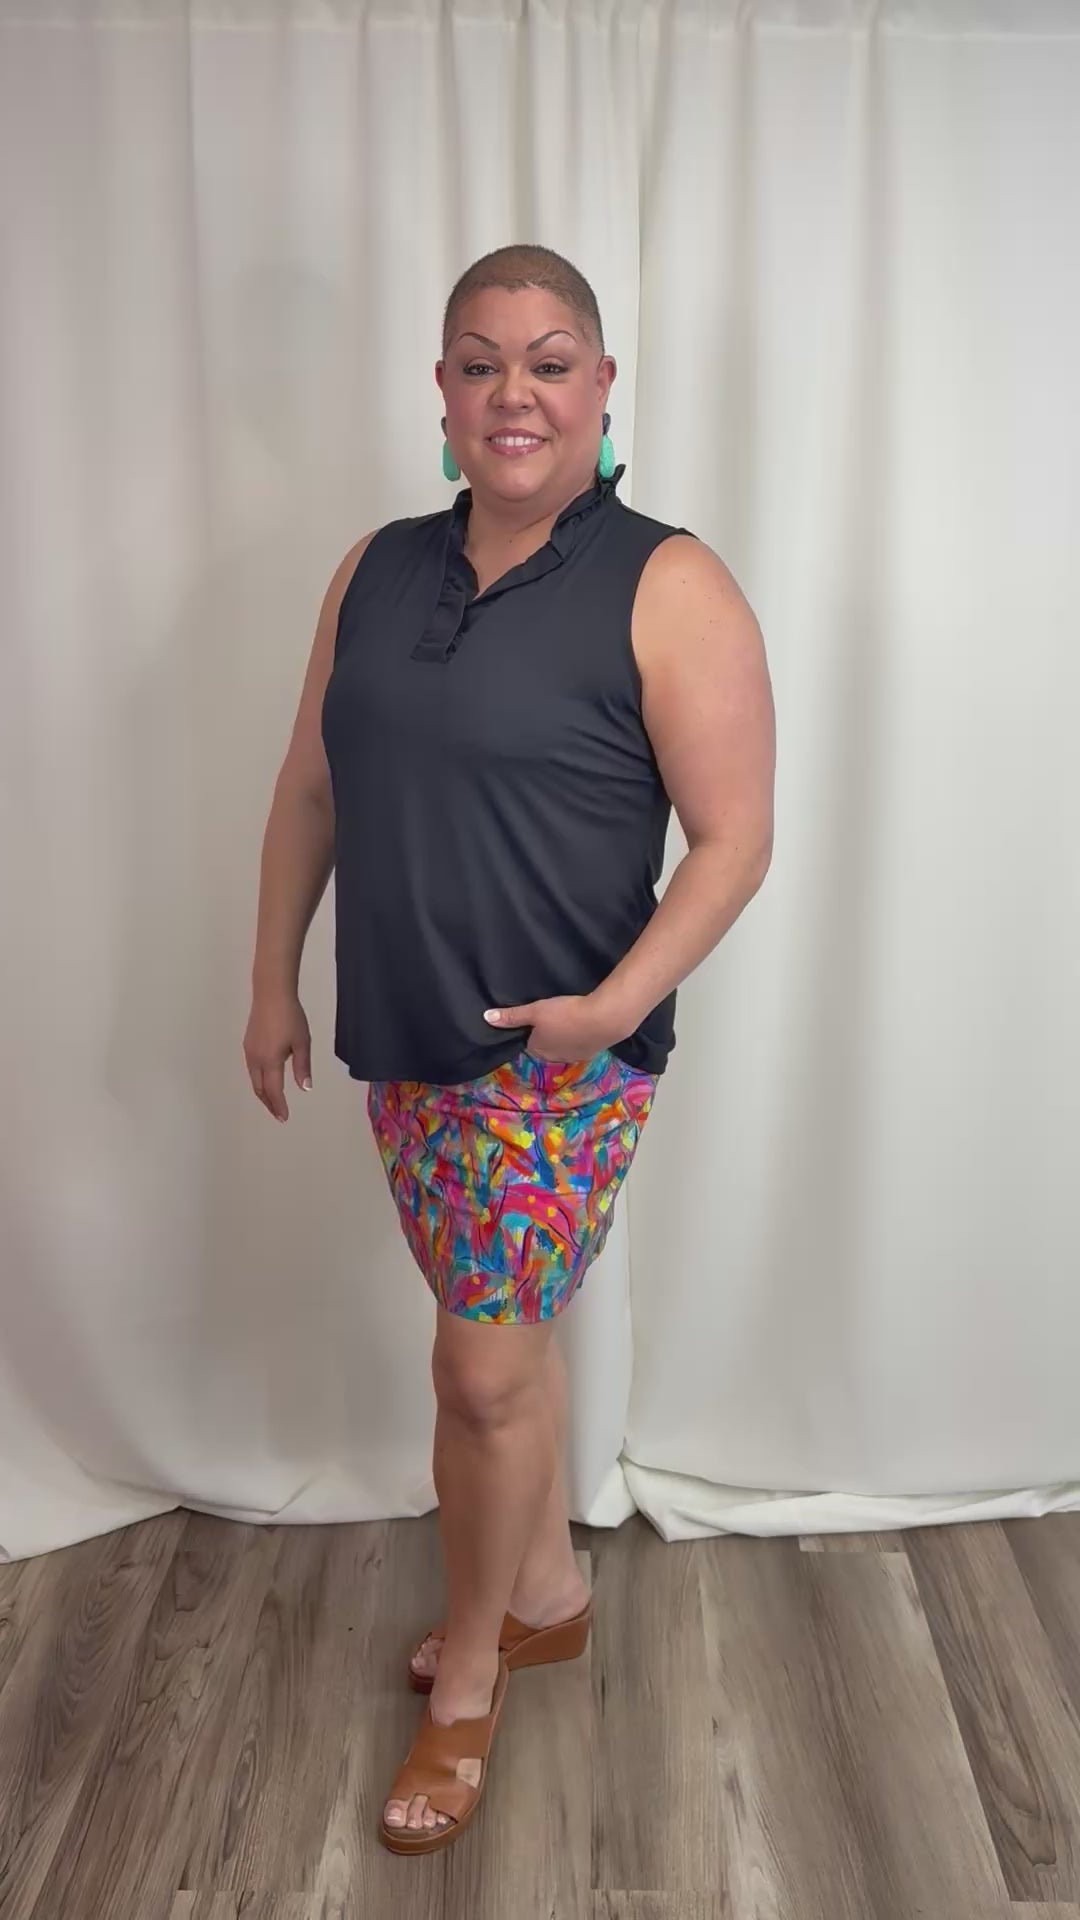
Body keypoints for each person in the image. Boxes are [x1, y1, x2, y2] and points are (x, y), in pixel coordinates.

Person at [243, 243, 775, 1856]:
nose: (514, 394)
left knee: (477, 1370)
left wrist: (612, 1007)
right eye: (481, 363)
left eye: (549, 363)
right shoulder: (376, 570)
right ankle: (541, 1587)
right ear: (443, 391)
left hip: (562, 1062)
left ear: (602, 387)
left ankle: (473, 1672)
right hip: (406, 1037)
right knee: (502, 1353)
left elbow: (735, 838)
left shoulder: (669, 582)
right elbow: (312, 788)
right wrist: (271, 980)